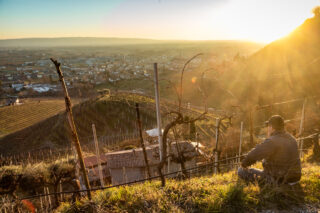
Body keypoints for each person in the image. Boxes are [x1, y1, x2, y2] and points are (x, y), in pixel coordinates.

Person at [238, 115, 301, 185]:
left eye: (268, 126)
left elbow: (254, 154)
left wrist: (244, 163)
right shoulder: (292, 138)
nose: (267, 129)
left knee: (241, 171)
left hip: (279, 179)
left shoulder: (272, 141)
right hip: (295, 178)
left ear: (271, 127)